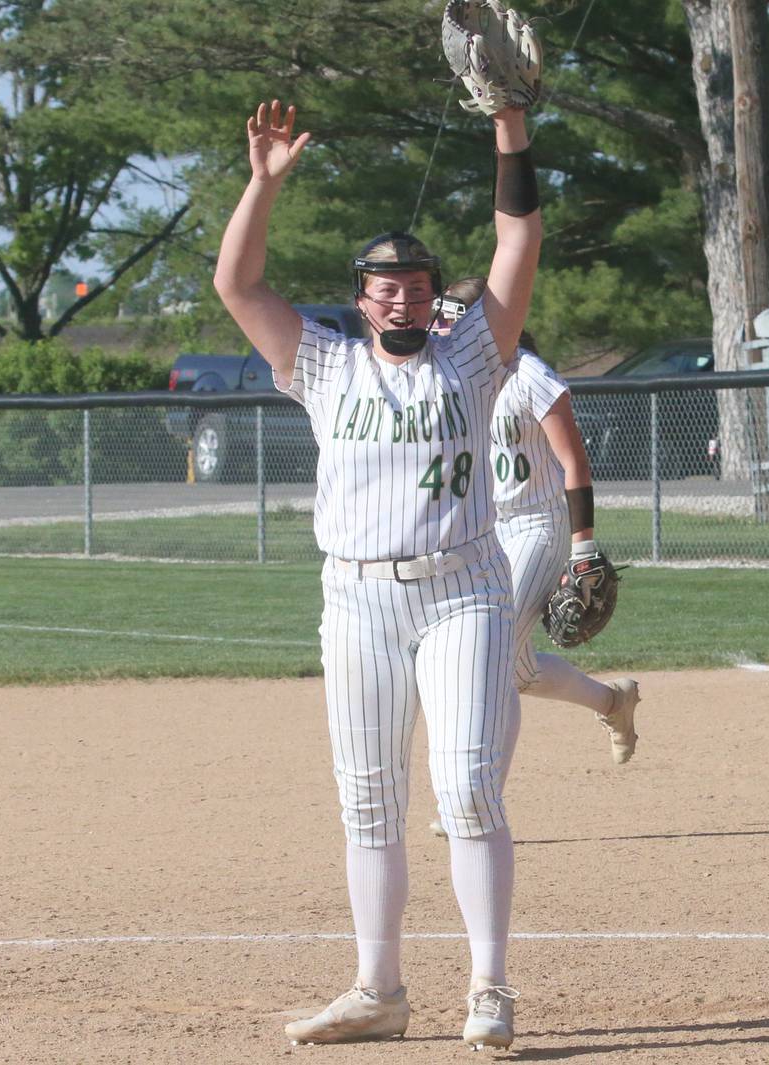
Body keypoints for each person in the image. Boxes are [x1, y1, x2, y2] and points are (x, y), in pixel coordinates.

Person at [212, 99, 541, 1050]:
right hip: (355, 597)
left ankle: (489, 987)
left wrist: (509, 126)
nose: (398, 296)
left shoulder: (476, 354)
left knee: (469, 786)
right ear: (360, 298)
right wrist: (264, 183)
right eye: (381, 284)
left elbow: (518, 232)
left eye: (415, 282)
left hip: (463, 590)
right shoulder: (323, 367)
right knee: (366, 797)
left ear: (436, 295)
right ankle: (379, 990)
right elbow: (237, 282)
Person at [426, 278, 639, 843]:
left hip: (540, 529)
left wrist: (584, 544)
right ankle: (612, 701)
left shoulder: (530, 376)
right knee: (516, 670)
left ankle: (473, 801)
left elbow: (575, 464)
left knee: (488, 660)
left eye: (450, 318)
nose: (440, 327)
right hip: (484, 534)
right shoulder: (454, 379)